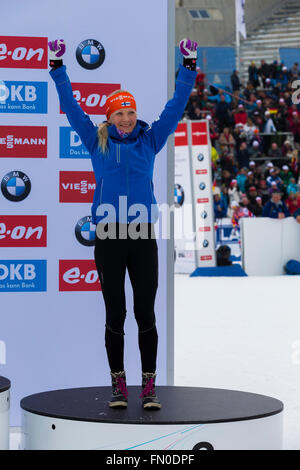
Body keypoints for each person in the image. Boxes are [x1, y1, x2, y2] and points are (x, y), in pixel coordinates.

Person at [48, 38, 198, 410]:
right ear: (109, 118)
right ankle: (119, 385)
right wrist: (58, 67)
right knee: (115, 313)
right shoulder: (95, 141)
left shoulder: (150, 140)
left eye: (130, 113)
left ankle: (148, 388)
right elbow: (71, 107)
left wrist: (189, 67)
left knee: (145, 313)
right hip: (110, 238)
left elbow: (175, 108)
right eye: (119, 114)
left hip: (143, 236)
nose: (127, 119)